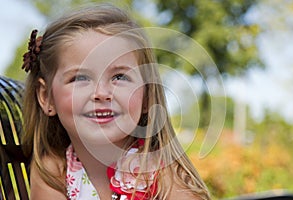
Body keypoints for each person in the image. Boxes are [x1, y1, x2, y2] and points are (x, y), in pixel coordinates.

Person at [21, 3, 210, 200]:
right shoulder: (52, 172)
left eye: (119, 77)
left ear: (146, 96)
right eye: (80, 78)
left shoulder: (163, 173)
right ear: (46, 97)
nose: (101, 93)